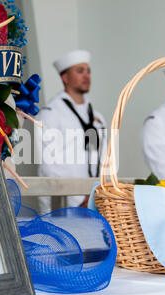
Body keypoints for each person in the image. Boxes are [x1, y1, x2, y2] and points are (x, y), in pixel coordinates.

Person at [36, 50, 107, 212]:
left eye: (88, 71)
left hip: (95, 199)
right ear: (65, 78)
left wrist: (97, 194)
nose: (87, 76)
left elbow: (104, 159)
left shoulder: (97, 116)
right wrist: (80, 198)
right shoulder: (50, 113)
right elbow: (49, 164)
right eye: (80, 71)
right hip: (64, 202)